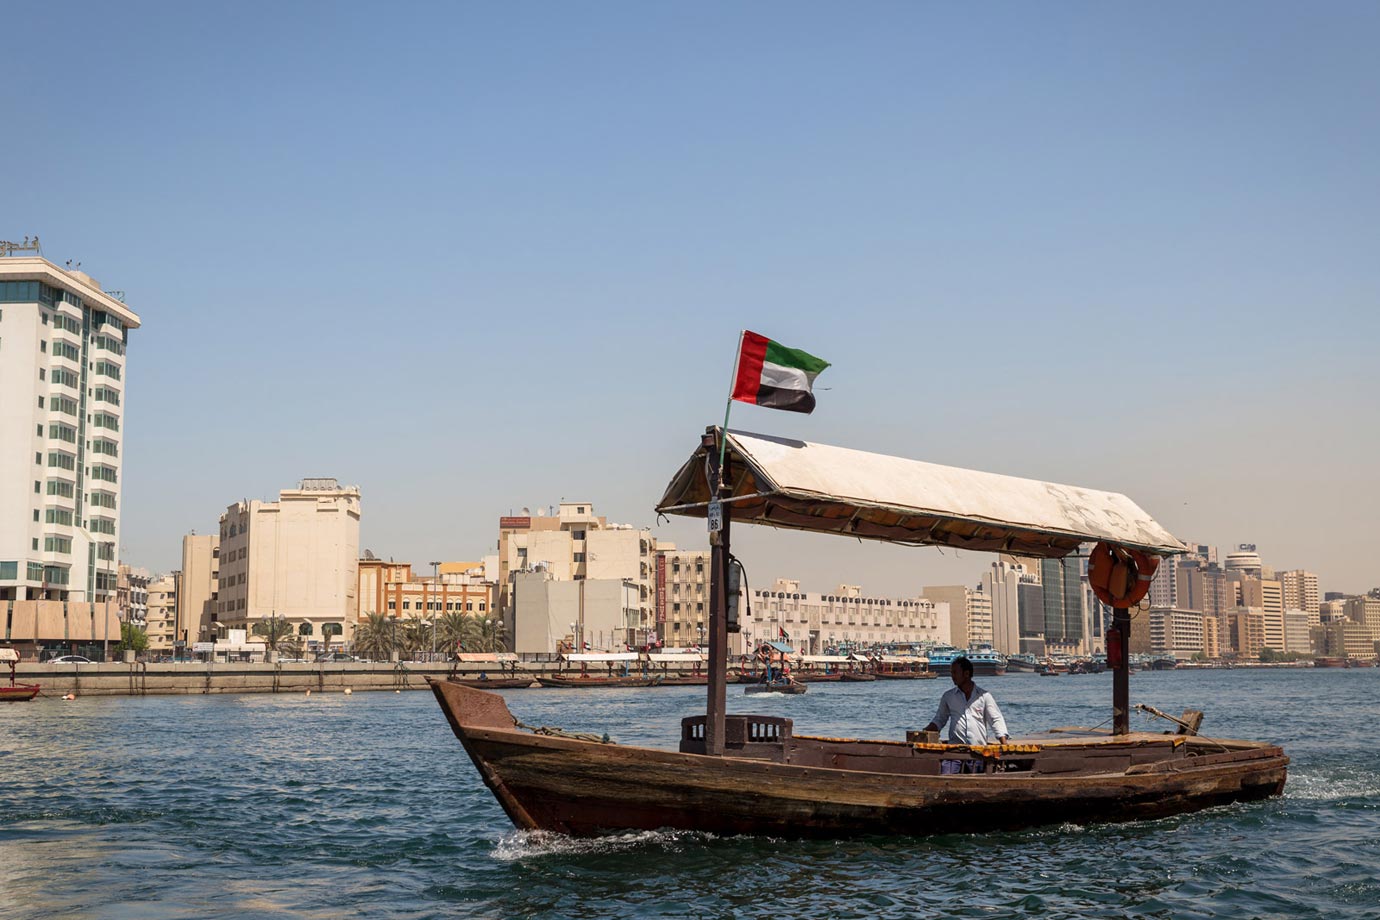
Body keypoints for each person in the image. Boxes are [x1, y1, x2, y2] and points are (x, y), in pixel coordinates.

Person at [924, 656, 1010, 774]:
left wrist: (1005, 744)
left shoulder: (984, 697)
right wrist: (924, 732)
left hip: (978, 752)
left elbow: (995, 720)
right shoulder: (948, 696)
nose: (952, 676)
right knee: (946, 776)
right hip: (954, 752)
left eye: (955, 672)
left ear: (966, 673)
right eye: (951, 672)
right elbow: (940, 719)